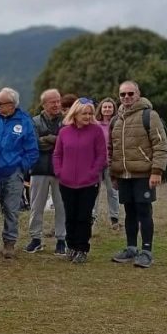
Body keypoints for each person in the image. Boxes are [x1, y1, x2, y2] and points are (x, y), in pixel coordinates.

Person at [109, 80, 167, 268]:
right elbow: (111, 149)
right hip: (123, 175)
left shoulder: (149, 115)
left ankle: (147, 252)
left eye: (130, 93)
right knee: (129, 213)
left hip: (144, 174)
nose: (126, 97)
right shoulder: (115, 120)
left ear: (138, 94)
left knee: (144, 212)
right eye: (123, 94)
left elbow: (160, 145)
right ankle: (131, 248)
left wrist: (157, 171)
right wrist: (113, 174)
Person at [0, 87, 39, 258]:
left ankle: (9, 243)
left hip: (13, 175)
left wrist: (20, 168)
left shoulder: (25, 122)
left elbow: (32, 151)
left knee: (11, 211)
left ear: (12, 105)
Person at [53, 98, 107, 263]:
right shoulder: (64, 132)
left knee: (84, 217)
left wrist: (92, 173)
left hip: (88, 183)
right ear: (75, 114)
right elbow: (57, 154)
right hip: (66, 182)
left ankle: (82, 248)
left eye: (90, 113)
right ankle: (71, 246)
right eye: (84, 113)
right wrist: (59, 172)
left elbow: (101, 156)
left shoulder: (96, 131)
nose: (88, 116)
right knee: (70, 216)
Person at [25, 89, 67, 255]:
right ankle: (35, 239)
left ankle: (62, 239)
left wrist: (48, 138)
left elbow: (67, 143)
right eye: (52, 102)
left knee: (62, 206)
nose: (57, 105)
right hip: (39, 169)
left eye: (58, 101)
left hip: (61, 170)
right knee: (36, 206)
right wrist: (56, 140)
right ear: (44, 104)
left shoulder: (67, 121)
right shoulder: (34, 121)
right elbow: (34, 143)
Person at [94, 97, 120, 230]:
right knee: (94, 191)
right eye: (105, 107)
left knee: (113, 191)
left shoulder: (118, 124)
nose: (107, 109)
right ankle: (92, 217)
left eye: (110, 107)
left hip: (112, 163)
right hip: (96, 162)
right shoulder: (94, 124)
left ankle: (114, 219)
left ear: (114, 109)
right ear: (101, 109)